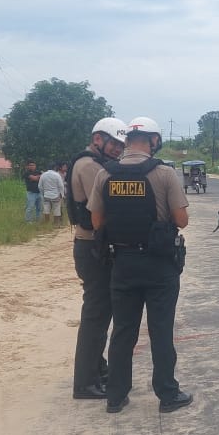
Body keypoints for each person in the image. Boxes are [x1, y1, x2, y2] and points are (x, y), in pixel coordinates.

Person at [88, 116, 191, 414]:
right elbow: (182, 220)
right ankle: (167, 395)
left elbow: (97, 221)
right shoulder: (164, 173)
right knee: (160, 331)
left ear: (126, 141)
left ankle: (116, 396)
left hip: (122, 263)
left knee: (123, 331)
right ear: (154, 141)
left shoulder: (105, 173)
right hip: (160, 265)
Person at [65, 117, 127, 400]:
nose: (117, 149)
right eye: (114, 143)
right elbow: (102, 208)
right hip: (92, 246)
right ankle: (85, 381)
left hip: (91, 246)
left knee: (100, 312)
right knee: (96, 315)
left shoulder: (91, 162)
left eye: (121, 145)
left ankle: (97, 368)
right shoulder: (90, 166)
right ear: (98, 139)